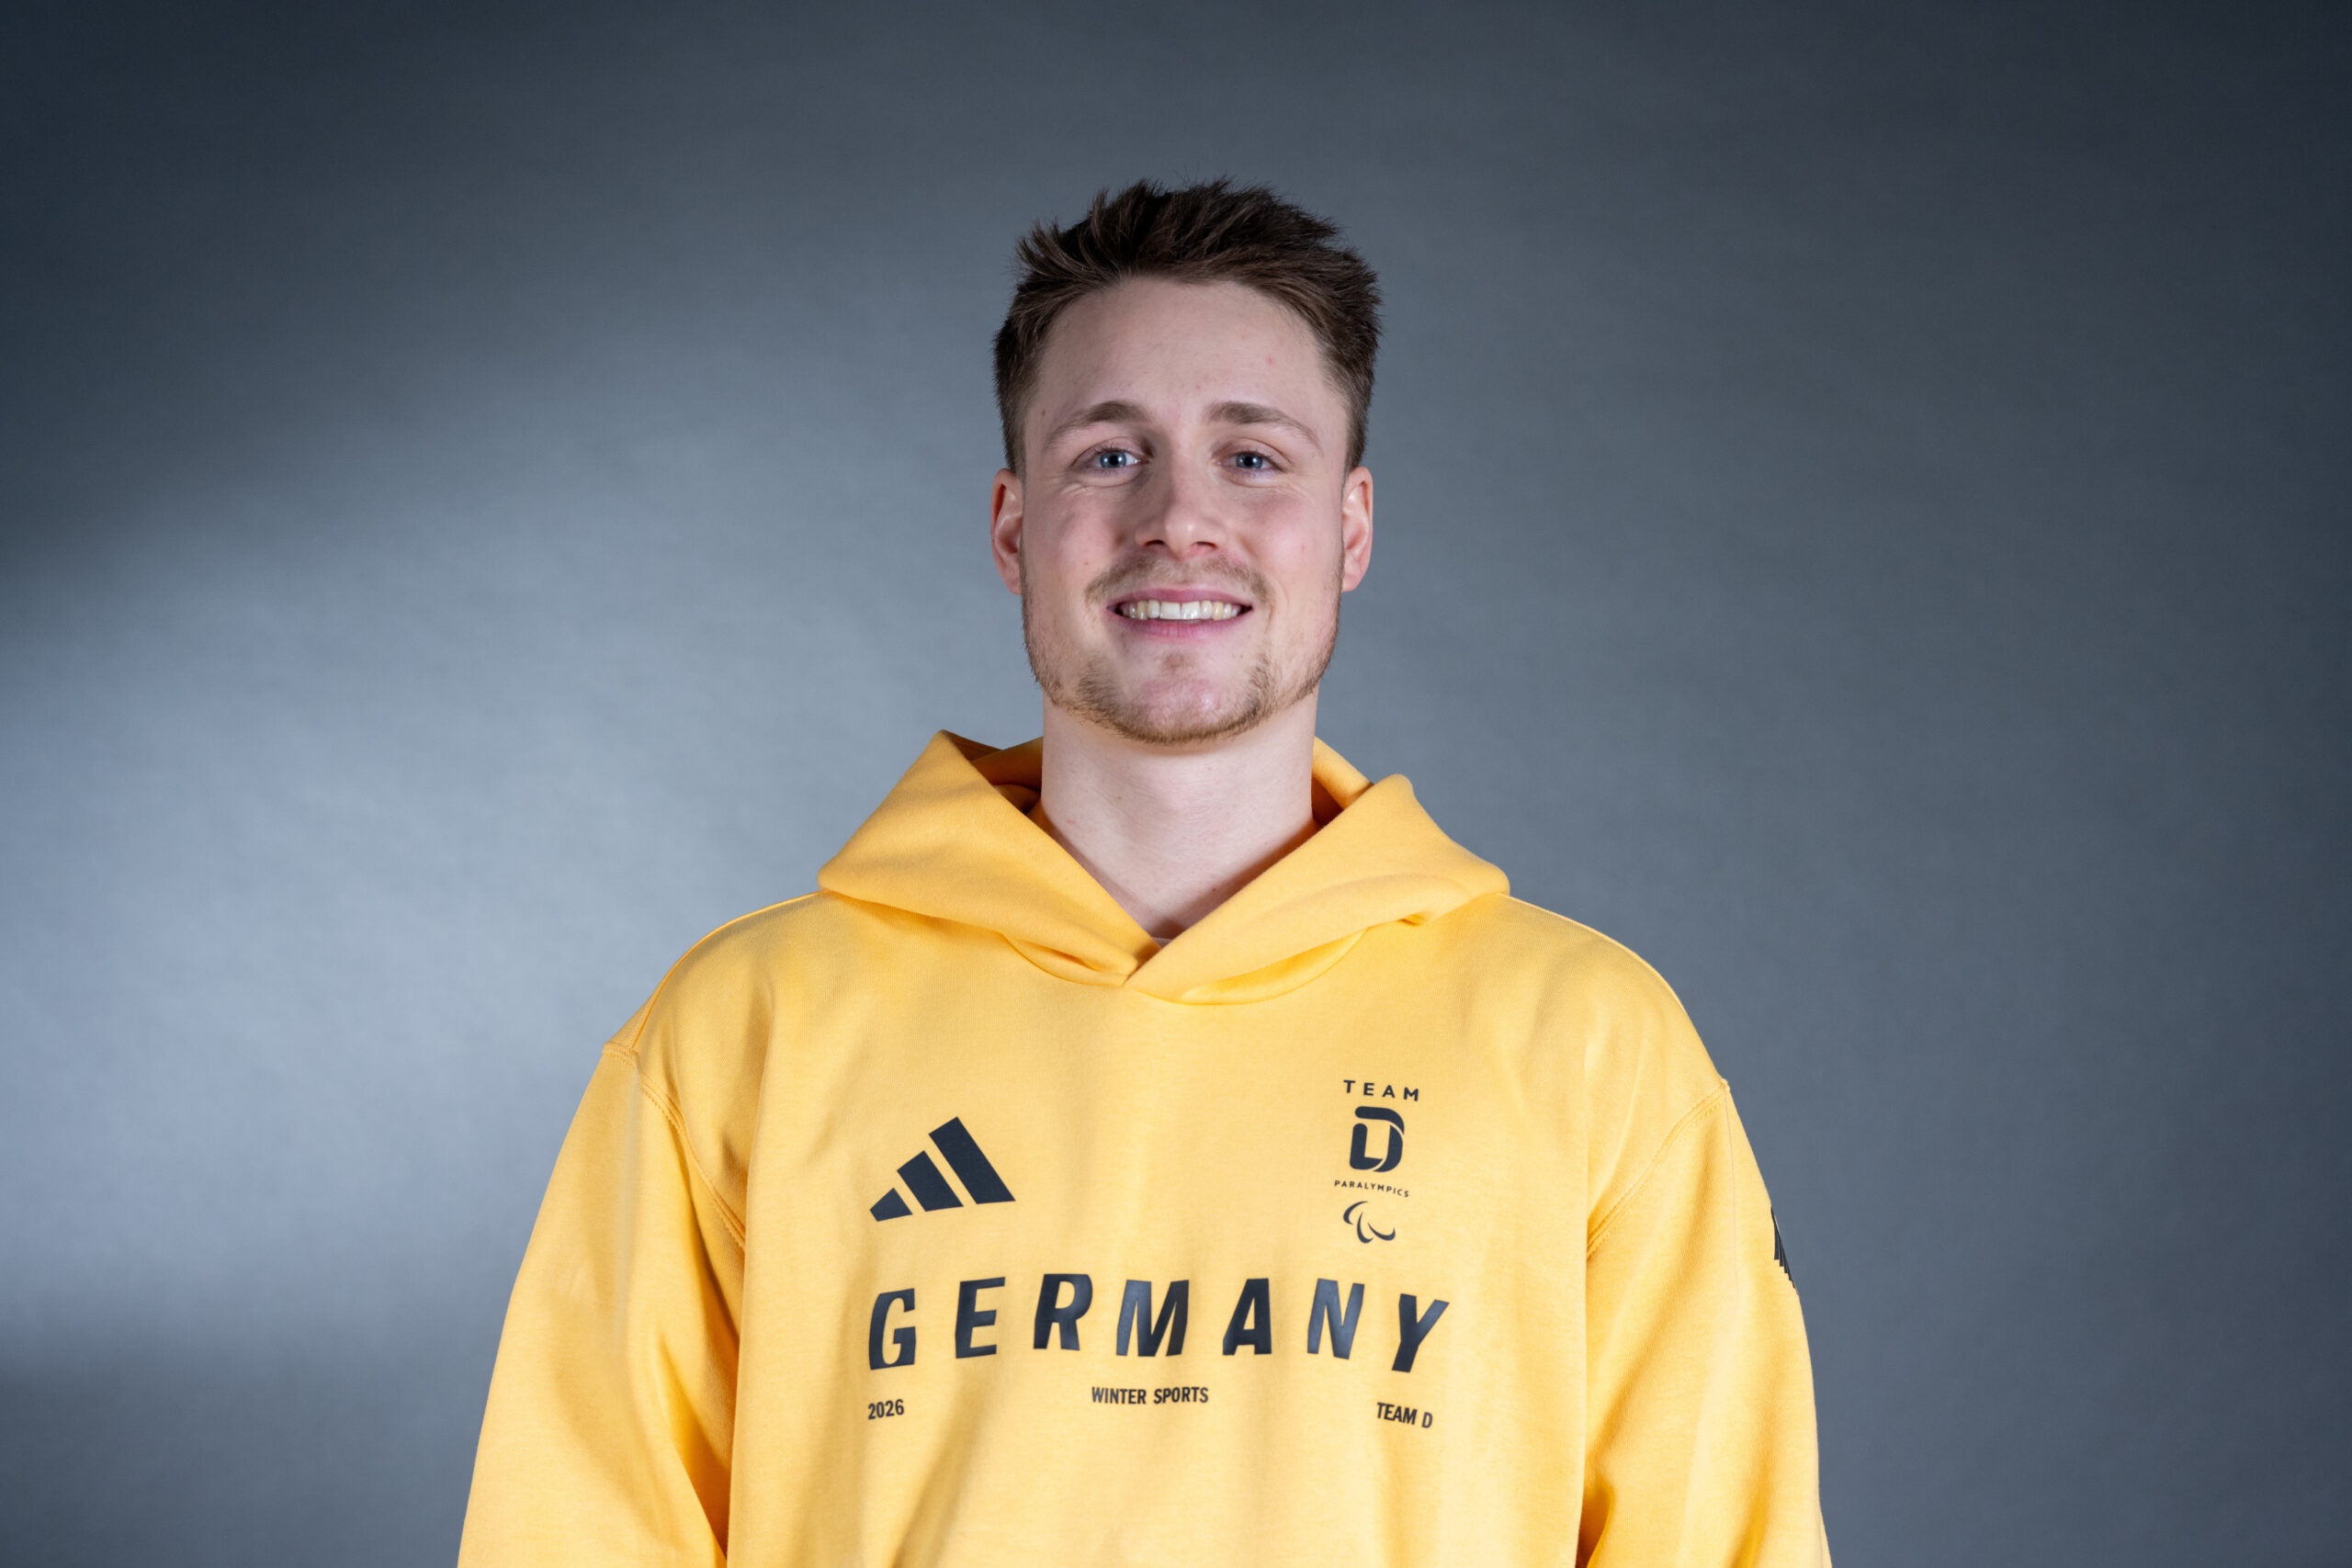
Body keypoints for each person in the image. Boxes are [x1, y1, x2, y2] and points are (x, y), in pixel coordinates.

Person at [458, 178, 1831, 1566]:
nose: (1181, 519)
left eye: (1254, 458)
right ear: (1014, 527)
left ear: (1351, 528)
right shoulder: (741, 1035)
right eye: (1111, 455)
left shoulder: (1591, 1049)